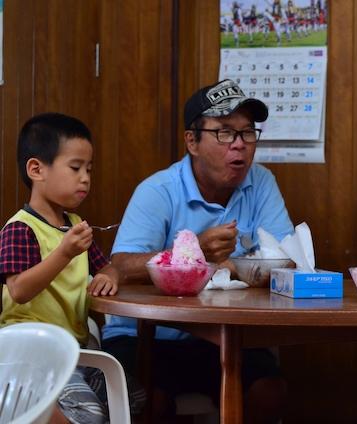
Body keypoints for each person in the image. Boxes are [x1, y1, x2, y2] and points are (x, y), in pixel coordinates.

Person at [101, 79, 294, 423]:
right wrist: (193, 251)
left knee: (269, 392)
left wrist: (232, 266)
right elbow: (121, 265)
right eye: (224, 133)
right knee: (150, 403)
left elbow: (289, 259)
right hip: (149, 337)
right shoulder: (158, 190)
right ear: (192, 141)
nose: (239, 146)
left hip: (224, 336)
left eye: (247, 133)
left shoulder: (261, 182)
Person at [0, 113, 120, 424]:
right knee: (90, 415)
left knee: (133, 396)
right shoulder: (20, 228)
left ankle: (43, 409)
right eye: (75, 168)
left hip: (74, 349)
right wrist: (63, 253)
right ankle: (33, 410)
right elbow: (19, 290)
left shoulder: (76, 226)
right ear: (36, 169)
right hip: (30, 353)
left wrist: (108, 275)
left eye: (89, 169)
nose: (85, 178)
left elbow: (107, 266)